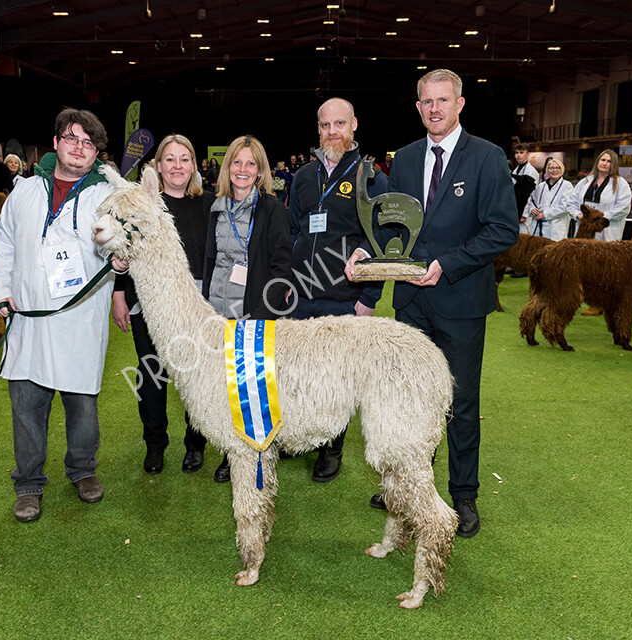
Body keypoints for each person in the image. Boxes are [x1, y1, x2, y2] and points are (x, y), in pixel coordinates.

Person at [346, 69, 517, 538]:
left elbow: (503, 229)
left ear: (460, 104)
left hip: (460, 301)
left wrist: (448, 263)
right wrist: (369, 251)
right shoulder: (404, 159)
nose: (435, 108)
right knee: (407, 401)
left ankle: (463, 495)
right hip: (411, 305)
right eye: (427, 101)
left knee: (460, 402)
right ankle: (404, 487)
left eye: (444, 100)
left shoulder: (487, 157)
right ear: (418, 107)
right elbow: (395, 227)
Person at [0, 108, 127, 523]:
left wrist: (119, 262)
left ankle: (82, 470)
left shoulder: (105, 195)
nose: (78, 148)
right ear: (56, 143)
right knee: (27, 404)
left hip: (77, 320)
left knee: (82, 405)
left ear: (96, 153)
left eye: (88, 143)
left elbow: (115, 243)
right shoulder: (25, 191)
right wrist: (1, 292)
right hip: (28, 319)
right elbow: (2, 242)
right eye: (71, 138)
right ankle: (28, 483)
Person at [288, 97, 388, 483]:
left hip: (344, 295)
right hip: (300, 293)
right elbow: (296, 231)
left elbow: (384, 239)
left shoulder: (372, 177)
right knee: (301, 373)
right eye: (325, 125)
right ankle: (304, 437)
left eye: (339, 124)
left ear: (354, 125)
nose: (332, 132)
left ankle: (331, 448)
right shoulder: (302, 176)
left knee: (338, 380)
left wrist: (369, 297)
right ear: (318, 129)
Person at [111, 134, 211, 475]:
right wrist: (118, 292)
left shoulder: (208, 203)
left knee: (197, 373)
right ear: (158, 166)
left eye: (184, 159)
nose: (177, 166)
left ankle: (195, 444)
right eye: (170, 159)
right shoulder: (142, 205)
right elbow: (124, 248)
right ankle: (155, 445)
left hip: (196, 303)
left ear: (193, 166)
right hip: (149, 303)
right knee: (151, 373)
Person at [204, 134, 293, 483]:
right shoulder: (215, 207)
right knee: (223, 388)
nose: (243, 169)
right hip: (216, 311)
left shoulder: (271, 209)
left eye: (250, 164)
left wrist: (263, 312)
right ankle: (231, 451)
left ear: (260, 171)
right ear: (228, 167)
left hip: (254, 312)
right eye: (237, 162)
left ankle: (257, 449)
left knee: (252, 387)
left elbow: (282, 265)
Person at [566, 149, 631, 243]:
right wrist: (578, 215)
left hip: (607, 230)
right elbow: (571, 202)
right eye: (603, 160)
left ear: (614, 165)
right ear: (598, 161)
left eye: (609, 161)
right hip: (585, 230)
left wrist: (602, 217)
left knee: (604, 255)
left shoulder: (621, 183)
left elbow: (624, 207)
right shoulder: (585, 182)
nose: (605, 163)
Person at [522, 158, 573, 240]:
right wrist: (532, 209)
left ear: (562, 169)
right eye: (551, 168)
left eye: (557, 168)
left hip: (555, 229)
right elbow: (531, 200)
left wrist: (544, 215)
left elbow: (564, 207)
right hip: (538, 227)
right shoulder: (541, 186)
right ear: (547, 170)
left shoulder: (567, 186)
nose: (554, 170)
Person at [511, 142, 540, 234]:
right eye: (516, 153)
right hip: (515, 208)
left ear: (527, 154)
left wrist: (524, 214)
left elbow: (531, 195)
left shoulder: (531, 171)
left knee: (523, 237)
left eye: (521, 152)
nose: (518, 155)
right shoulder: (516, 170)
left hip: (524, 211)